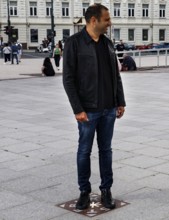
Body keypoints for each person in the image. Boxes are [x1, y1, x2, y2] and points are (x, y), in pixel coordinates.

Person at [63, 4, 126, 210]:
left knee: (106, 150)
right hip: (88, 110)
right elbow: (68, 80)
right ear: (93, 21)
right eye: (106, 19)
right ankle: (84, 191)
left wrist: (120, 101)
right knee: (84, 151)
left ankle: (106, 190)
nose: (110, 23)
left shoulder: (108, 43)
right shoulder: (74, 43)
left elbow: (115, 75)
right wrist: (77, 109)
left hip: (109, 108)